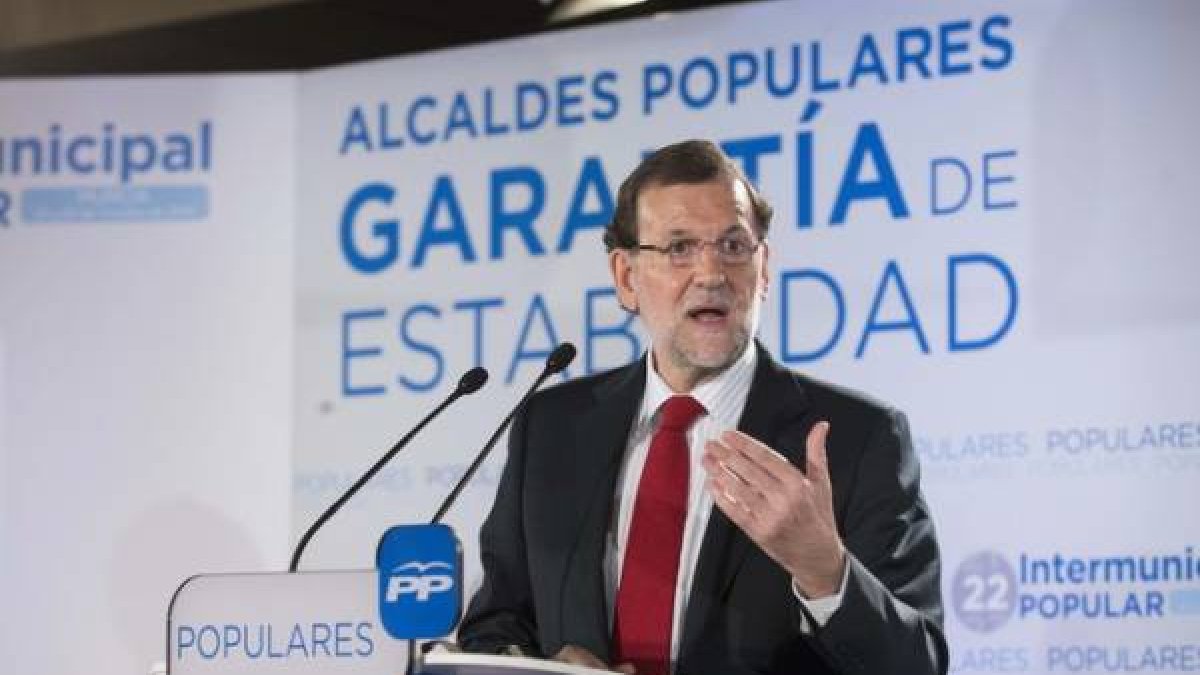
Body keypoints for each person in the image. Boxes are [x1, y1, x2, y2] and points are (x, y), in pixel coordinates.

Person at [457, 140, 947, 675]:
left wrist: (824, 571)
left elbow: (917, 666)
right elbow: (497, 626)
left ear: (763, 270)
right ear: (626, 278)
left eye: (735, 246)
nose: (712, 273)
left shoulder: (857, 439)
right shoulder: (551, 429)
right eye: (679, 248)